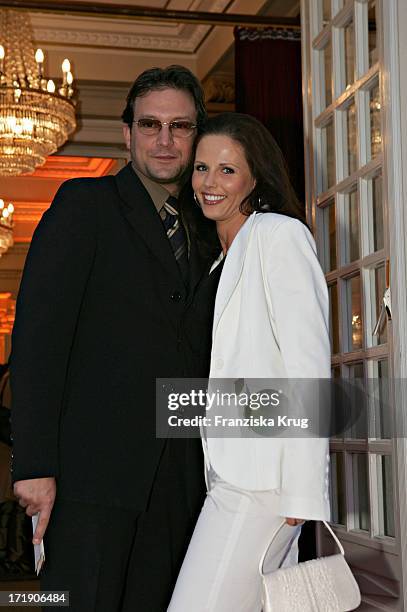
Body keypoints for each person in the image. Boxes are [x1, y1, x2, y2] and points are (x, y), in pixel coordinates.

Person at [10, 65, 220, 611]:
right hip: (88, 483)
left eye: (180, 126)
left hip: (182, 484)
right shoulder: (84, 205)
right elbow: (37, 340)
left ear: (198, 134)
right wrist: (34, 467)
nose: (166, 140)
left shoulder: (211, 225)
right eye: (151, 125)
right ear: (127, 134)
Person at [168, 112, 331, 611]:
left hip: (265, 482)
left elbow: (309, 364)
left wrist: (303, 494)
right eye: (201, 169)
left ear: (255, 178)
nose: (209, 183)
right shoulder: (219, 257)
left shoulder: (277, 235)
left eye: (227, 170)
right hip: (229, 471)